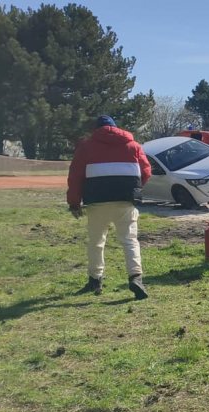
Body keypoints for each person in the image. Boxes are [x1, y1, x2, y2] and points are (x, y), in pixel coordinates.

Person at [67, 115, 151, 299]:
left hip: (97, 202)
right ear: (116, 127)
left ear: (96, 129)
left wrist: (74, 203)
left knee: (96, 242)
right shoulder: (134, 146)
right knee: (129, 240)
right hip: (125, 201)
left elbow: (75, 176)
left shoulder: (86, 147)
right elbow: (146, 171)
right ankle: (136, 277)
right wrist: (134, 190)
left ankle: (95, 280)